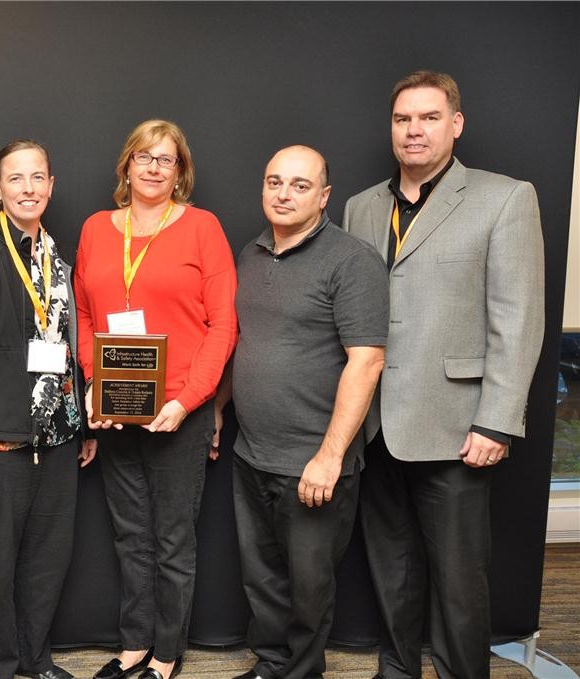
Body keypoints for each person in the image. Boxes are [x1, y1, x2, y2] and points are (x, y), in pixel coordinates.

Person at [343, 70, 544, 679]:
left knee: (460, 584)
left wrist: (498, 421)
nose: (414, 130)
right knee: (392, 571)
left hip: (457, 427)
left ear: (456, 124)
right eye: (404, 119)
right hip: (376, 427)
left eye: (429, 117)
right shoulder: (361, 206)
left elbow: (519, 318)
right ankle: (397, 671)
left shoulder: (504, 198)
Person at [75, 120, 238, 679]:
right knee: (130, 536)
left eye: (166, 160)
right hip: (117, 410)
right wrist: (95, 380)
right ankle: (133, 646)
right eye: (143, 156)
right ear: (126, 165)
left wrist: (191, 400)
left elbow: (223, 326)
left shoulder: (201, 228)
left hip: (179, 413)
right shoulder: (98, 228)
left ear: (180, 172)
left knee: (172, 540)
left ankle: (166, 654)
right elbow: (86, 315)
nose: (153, 167)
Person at [0, 140, 97, 679]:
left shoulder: (58, 259)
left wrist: (80, 423)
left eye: (38, 178)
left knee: (47, 564)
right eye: (16, 179)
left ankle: (35, 659)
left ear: (51, 186)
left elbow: (68, 345)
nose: (28, 189)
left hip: (56, 441)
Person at [228, 146, 388, 679]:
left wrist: (330, 455)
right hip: (252, 454)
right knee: (263, 578)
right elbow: (247, 342)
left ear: (324, 196)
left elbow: (366, 363)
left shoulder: (352, 259)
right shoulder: (249, 255)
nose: (284, 193)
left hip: (314, 463)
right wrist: (218, 410)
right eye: (275, 182)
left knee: (309, 586)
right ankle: (271, 663)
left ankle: (301, 672)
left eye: (300, 185)